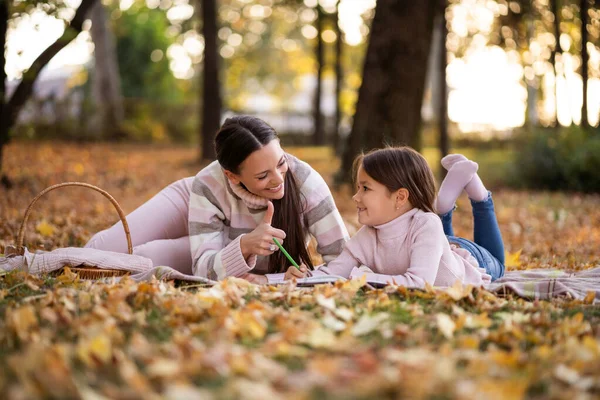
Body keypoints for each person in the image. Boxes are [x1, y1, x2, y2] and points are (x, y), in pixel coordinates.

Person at [86, 116, 349, 282]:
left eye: (281, 163)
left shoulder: (306, 184)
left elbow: (342, 258)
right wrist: (246, 244)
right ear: (232, 176)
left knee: (143, 257)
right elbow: (204, 267)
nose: (279, 179)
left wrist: (299, 278)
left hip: (221, 241)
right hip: (196, 202)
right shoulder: (210, 182)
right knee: (105, 248)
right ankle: (49, 262)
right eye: (262, 175)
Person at [284, 147, 505, 288]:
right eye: (358, 188)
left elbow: (419, 283)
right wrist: (305, 277)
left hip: (473, 261)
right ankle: (444, 207)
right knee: (436, 224)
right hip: (437, 245)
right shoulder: (369, 234)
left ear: (400, 197)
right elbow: (333, 273)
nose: (355, 196)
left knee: (499, 263)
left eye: (365, 189)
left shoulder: (427, 223)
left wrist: (360, 279)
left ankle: (480, 197)